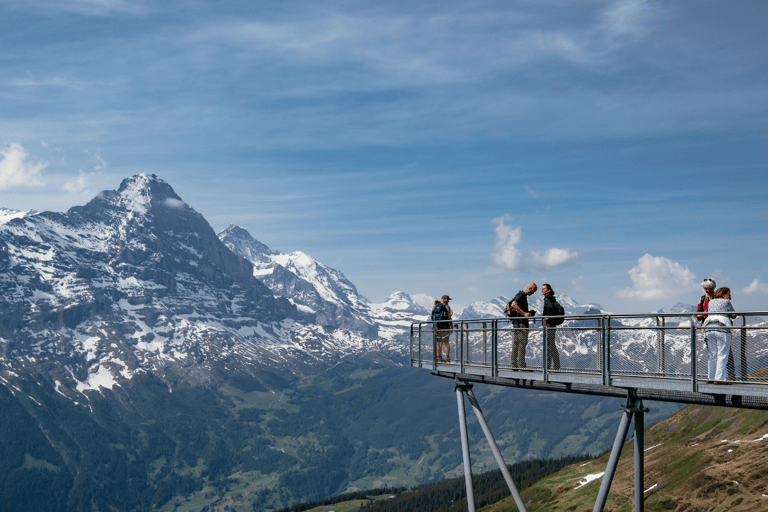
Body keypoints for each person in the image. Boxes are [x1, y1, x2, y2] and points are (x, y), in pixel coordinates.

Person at [696, 278, 735, 379]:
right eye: (706, 288)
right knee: (723, 354)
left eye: (709, 288)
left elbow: (698, 314)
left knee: (713, 355)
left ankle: (712, 377)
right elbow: (733, 314)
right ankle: (722, 378)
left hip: (708, 327)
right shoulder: (704, 299)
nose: (707, 290)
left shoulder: (710, 301)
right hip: (721, 327)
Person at [507, 283, 537, 369]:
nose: (533, 294)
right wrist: (524, 314)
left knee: (516, 343)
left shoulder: (519, 294)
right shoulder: (522, 295)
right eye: (533, 291)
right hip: (521, 324)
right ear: (530, 288)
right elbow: (513, 305)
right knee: (522, 343)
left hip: (516, 323)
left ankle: (514, 365)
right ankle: (522, 366)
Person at [541, 283, 560, 370]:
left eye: (544, 288)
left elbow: (548, 312)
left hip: (549, 325)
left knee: (550, 345)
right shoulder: (550, 299)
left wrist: (545, 320)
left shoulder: (548, 300)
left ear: (549, 290)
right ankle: (550, 366)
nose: (542, 290)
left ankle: (554, 366)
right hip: (551, 325)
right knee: (550, 345)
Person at [431, 295, 453, 362]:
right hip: (445, 327)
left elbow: (432, 316)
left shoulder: (435, 306)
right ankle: (447, 358)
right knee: (446, 343)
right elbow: (449, 317)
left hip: (437, 327)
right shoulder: (446, 306)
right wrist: (451, 327)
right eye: (447, 299)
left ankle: (439, 358)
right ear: (443, 299)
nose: (448, 301)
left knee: (439, 343)